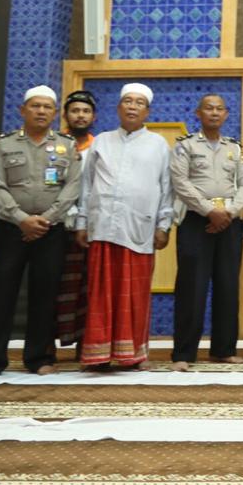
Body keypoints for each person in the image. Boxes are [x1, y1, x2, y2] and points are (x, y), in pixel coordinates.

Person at [0, 85, 81, 381]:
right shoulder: (3, 145)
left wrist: (45, 220)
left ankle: (39, 358)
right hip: (11, 230)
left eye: (47, 107)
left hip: (51, 231)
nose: (41, 111)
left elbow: (72, 188)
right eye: (35, 106)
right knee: (1, 295)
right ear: (23, 110)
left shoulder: (67, 145)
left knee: (45, 295)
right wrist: (21, 219)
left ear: (55, 113)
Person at [75, 83, 173, 370]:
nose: (132, 107)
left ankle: (134, 355)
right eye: (127, 101)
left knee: (134, 296)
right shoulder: (101, 142)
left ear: (147, 111)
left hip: (139, 229)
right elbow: (86, 185)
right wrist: (81, 221)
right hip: (102, 227)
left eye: (139, 103)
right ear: (118, 108)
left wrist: (164, 225)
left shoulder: (158, 145)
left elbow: (167, 189)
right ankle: (98, 355)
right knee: (100, 295)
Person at [169, 94, 243, 371]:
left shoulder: (234, 148)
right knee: (192, 287)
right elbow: (180, 182)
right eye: (209, 108)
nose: (214, 113)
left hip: (229, 222)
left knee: (228, 286)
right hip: (196, 221)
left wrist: (229, 212)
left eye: (219, 109)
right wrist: (208, 211)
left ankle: (224, 350)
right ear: (198, 113)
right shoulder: (186, 146)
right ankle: (184, 353)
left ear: (226, 114)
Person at [56, 89, 97, 354]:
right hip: (56, 224)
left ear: (93, 117)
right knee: (55, 285)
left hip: (91, 228)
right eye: (75, 111)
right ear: (66, 115)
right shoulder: (54, 144)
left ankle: (86, 343)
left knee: (87, 286)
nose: (80, 116)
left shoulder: (100, 147)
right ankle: (47, 346)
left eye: (86, 111)